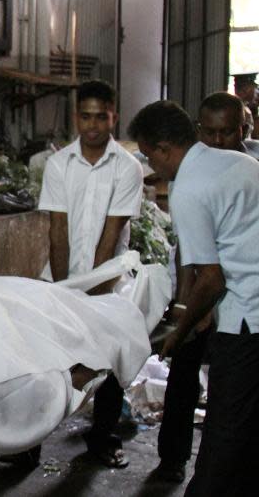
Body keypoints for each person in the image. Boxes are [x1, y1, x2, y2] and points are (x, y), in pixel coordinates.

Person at [129, 100, 259, 497]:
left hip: (247, 320)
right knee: (249, 431)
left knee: (224, 433)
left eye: (151, 156)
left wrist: (179, 331)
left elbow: (211, 278)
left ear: (166, 148)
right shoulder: (242, 165)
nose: (154, 167)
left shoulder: (189, 188)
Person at [38, 79, 144, 468]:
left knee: (112, 362)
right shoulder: (58, 164)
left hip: (110, 283)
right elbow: (57, 232)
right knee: (47, 361)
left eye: (102, 116)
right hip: (62, 278)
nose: (94, 125)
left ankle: (101, 439)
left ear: (115, 116)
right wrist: (65, 294)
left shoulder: (128, 168)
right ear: (76, 117)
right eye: (86, 116)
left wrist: (91, 300)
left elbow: (110, 236)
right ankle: (27, 446)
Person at [154, 91, 250, 483]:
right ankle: (173, 458)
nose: (218, 140)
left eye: (227, 132)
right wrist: (186, 308)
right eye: (209, 132)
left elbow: (217, 269)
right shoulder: (190, 176)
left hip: (237, 302)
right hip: (210, 294)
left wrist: (201, 305)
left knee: (230, 412)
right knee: (183, 374)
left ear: (243, 129)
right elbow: (191, 252)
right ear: (197, 131)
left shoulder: (245, 167)